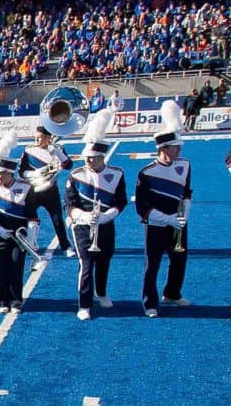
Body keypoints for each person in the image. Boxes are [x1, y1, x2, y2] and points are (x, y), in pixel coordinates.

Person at [64, 111, 126, 321]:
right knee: (87, 264)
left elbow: (121, 201)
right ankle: (84, 304)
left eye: (92, 157)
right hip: (82, 227)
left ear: (102, 157)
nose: (88, 160)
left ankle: (101, 292)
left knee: (105, 260)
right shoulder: (76, 175)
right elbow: (69, 203)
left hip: (105, 224)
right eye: (87, 157)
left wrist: (107, 216)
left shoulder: (116, 174)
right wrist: (83, 216)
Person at [136, 101, 192, 318]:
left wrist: (184, 215)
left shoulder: (185, 165)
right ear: (164, 148)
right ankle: (149, 302)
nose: (179, 150)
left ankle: (172, 293)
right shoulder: (146, 173)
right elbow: (142, 208)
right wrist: (168, 219)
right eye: (176, 147)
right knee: (152, 265)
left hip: (179, 223)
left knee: (179, 260)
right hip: (157, 225)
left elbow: (186, 192)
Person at [0, 133, 39, 313]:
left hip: (20, 237)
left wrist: (30, 239)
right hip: (1, 236)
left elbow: (32, 215)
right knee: (3, 268)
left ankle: (16, 301)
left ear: (8, 174)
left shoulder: (26, 188)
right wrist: (0, 231)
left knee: (16, 267)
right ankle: (2, 301)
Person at [18, 125, 73, 256]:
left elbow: (69, 165)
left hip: (51, 191)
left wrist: (57, 153)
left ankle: (66, 246)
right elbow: (21, 172)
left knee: (58, 220)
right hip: (32, 191)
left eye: (40, 138)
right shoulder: (29, 150)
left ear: (48, 138)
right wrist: (35, 174)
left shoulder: (58, 149)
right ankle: (30, 244)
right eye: (35, 137)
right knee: (30, 219)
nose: (36, 140)